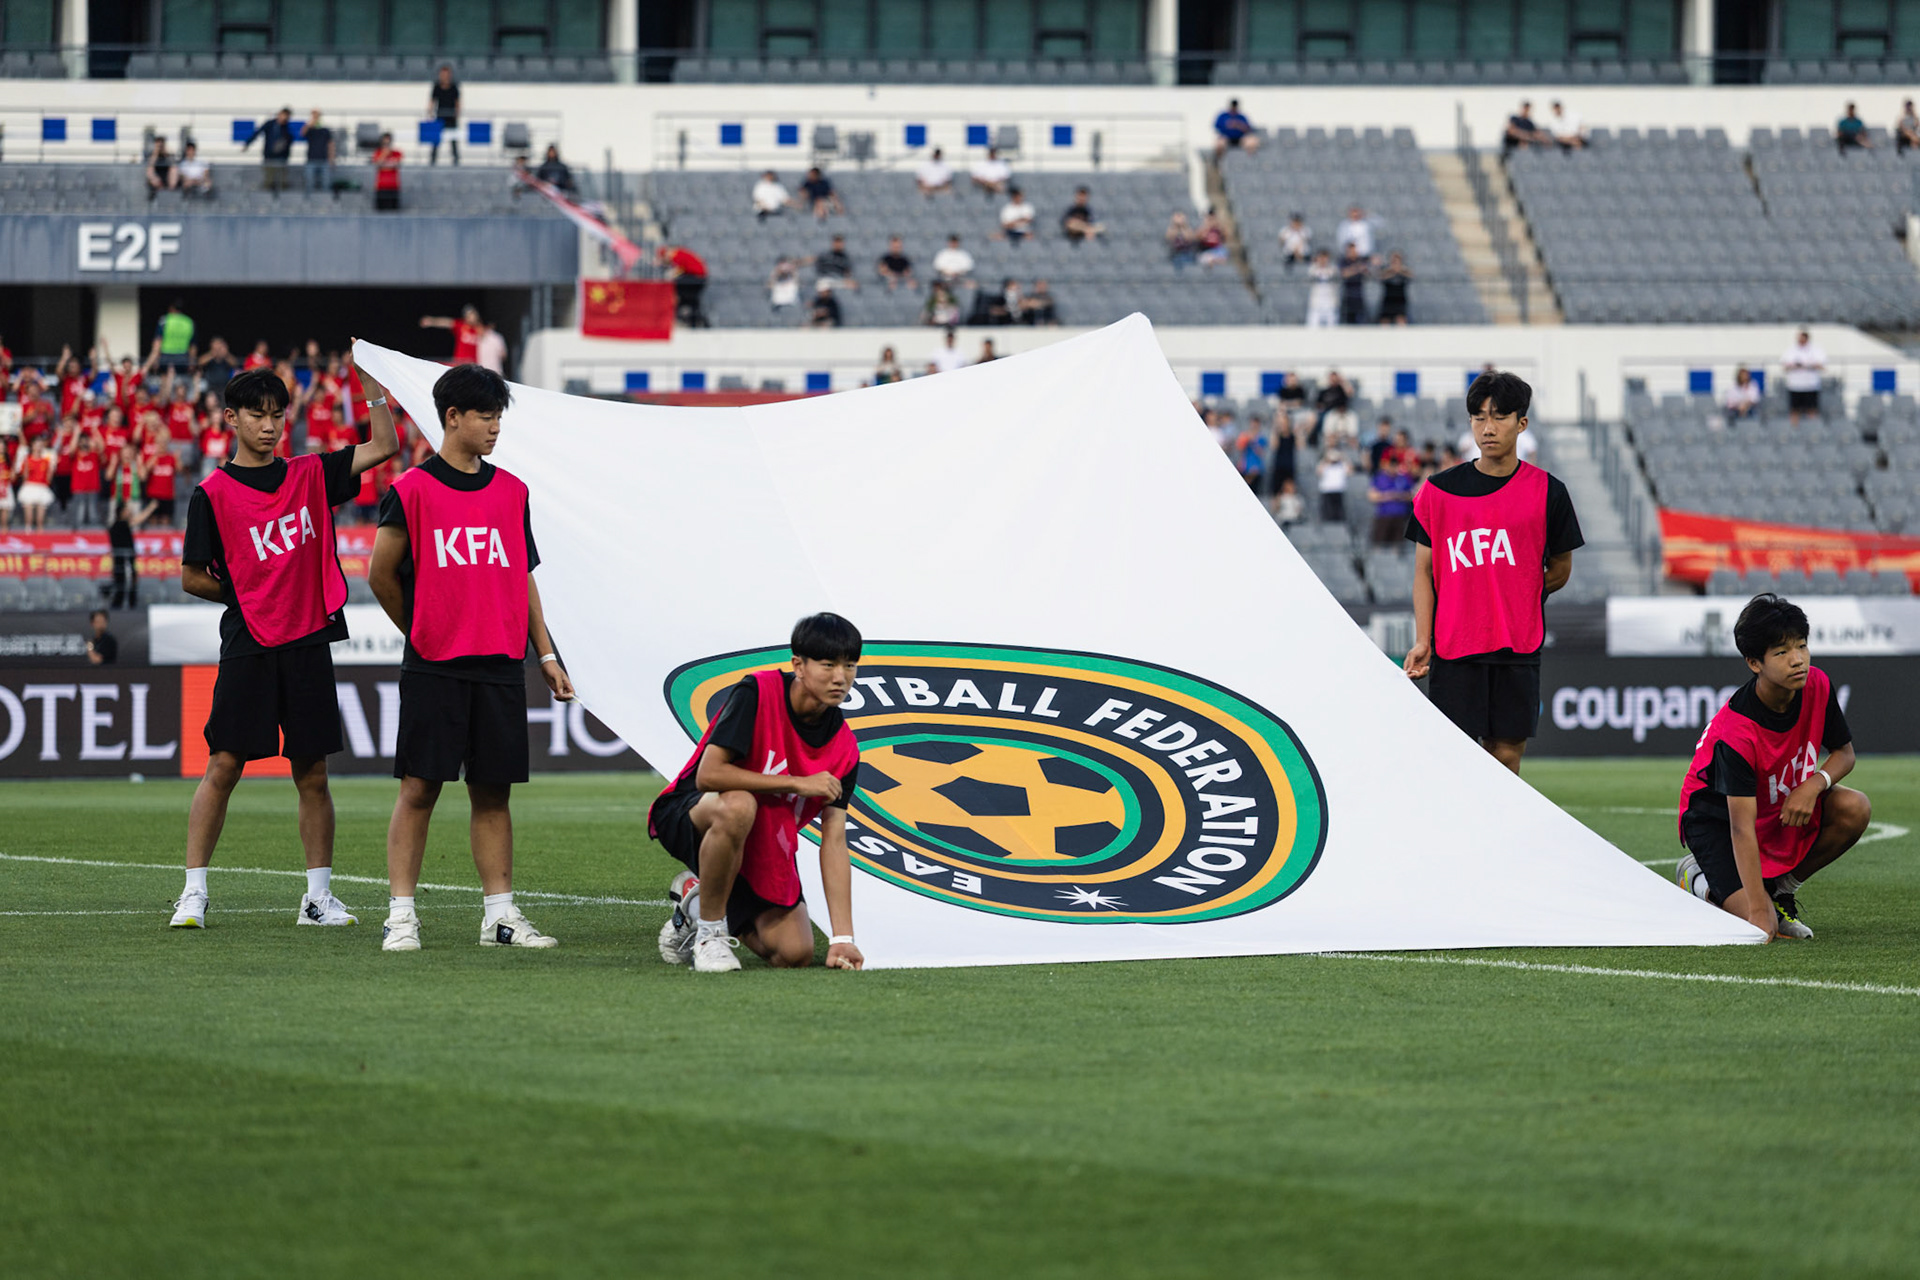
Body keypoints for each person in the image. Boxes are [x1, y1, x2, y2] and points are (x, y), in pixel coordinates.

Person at [168, 361, 399, 931]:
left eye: (277, 416)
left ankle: (316, 899)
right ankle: (192, 893)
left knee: (312, 772)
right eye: (257, 415)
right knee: (223, 765)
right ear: (231, 419)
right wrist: (247, 595)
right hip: (248, 641)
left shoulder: (311, 474)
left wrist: (372, 395)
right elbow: (192, 575)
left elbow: (385, 446)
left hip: (308, 640)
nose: (270, 426)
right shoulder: (212, 493)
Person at [370, 364, 573, 953]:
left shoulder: (513, 491)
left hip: (500, 665)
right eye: (486, 415)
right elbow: (381, 575)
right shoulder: (410, 489)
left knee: (493, 793)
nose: (495, 427)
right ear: (452, 416)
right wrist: (422, 627)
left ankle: (500, 917)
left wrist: (547, 653)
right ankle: (401, 915)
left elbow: (522, 579)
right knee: (419, 789)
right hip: (435, 664)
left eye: (499, 415)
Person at [648, 613, 866, 973]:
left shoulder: (845, 748)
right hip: (693, 812)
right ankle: (710, 935)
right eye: (828, 665)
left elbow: (835, 839)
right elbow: (709, 775)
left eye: (850, 665)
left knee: (794, 954)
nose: (840, 677)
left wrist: (844, 937)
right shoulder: (758, 691)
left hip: (764, 836)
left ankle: (696, 899)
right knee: (738, 805)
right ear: (799, 665)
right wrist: (798, 782)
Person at [1401, 371, 1584, 776]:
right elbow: (1423, 572)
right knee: (1455, 761)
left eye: (1500, 417)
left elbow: (1561, 568)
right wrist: (1422, 639)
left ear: (1522, 423)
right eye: (1479, 417)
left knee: (1505, 756)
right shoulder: (1437, 491)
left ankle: (1501, 840)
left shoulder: (1549, 492)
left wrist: (1519, 594)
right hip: (1454, 648)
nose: (1488, 428)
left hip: (1516, 647)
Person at [1674, 593, 1873, 942]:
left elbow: (1845, 753)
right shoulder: (1735, 733)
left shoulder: (1817, 684)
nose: (1798, 660)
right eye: (1782, 653)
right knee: (1759, 928)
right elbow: (1740, 829)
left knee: (1854, 808)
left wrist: (1813, 785)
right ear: (1755, 663)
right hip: (1717, 822)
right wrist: (1756, 911)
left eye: (1802, 646)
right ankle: (1699, 879)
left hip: (1771, 804)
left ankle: (1782, 891)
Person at [107, 498, 154, 606]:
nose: (130, 512)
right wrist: (151, 508)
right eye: (127, 510)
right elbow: (138, 519)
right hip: (123, 562)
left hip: (127, 561)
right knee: (123, 586)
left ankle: (126, 604)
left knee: (128, 586)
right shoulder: (120, 525)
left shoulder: (118, 525)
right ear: (121, 512)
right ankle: (121, 606)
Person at [241, 107, 295, 194]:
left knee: (282, 182)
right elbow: (257, 132)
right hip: (269, 157)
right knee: (269, 180)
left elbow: (289, 141)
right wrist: (247, 143)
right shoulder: (270, 124)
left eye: (286, 117)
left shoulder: (286, 128)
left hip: (282, 158)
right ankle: (267, 199)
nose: (284, 118)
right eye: (283, 116)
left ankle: (280, 200)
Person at [1368, 451, 1417, 546]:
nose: (1393, 467)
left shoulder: (1404, 478)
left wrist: (1400, 496)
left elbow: (1413, 494)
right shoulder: (1380, 478)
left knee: (1398, 545)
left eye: (1395, 465)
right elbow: (1371, 495)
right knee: (1380, 543)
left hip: (1400, 516)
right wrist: (1387, 496)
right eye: (1391, 464)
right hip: (1384, 516)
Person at [659, 244, 709, 327]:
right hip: (697, 278)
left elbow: (680, 269)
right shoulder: (680, 253)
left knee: (674, 285)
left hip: (697, 278)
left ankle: (678, 305)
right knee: (692, 303)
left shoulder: (676, 255)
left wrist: (670, 275)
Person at [1782, 329, 1825, 425]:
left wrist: (1807, 365)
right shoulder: (1791, 350)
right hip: (1795, 386)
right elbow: (1785, 365)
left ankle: (1812, 431)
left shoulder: (1816, 350)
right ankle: (1794, 432)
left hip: (1810, 385)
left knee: (1812, 410)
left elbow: (1821, 365)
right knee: (1794, 410)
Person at [15, 436, 55, 531]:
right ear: (32, 446)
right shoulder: (27, 459)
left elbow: (49, 479)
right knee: (29, 517)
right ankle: (28, 533)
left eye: (41, 445)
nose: (38, 447)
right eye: (36, 445)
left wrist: (52, 469)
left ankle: (40, 536)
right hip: (29, 486)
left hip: (42, 487)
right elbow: (24, 477)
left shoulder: (46, 461)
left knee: (40, 519)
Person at [149, 299, 195, 374]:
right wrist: (192, 363)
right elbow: (193, 346)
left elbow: (157, 342)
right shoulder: (189, 322)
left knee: (164, 379)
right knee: (180, 382)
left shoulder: (164, 320)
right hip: (182, 357)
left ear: (171, 308)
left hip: (166, 356)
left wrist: (155, 360)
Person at [428, 64, 461, 165]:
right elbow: (432, 101)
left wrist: (457, 113)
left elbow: (457, 102)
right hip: (440, 116)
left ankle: (455, 159)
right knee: (435, 139)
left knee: (453, 140)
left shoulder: (454, 87)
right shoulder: (437, 87)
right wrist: (430, 112)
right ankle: (433, 159)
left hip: (451, 117)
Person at [303, 110, 335, 195]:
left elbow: (331, 145)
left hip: (324, 160)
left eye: (318, 116)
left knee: (326, 183)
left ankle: (324, 201)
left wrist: (331, 159)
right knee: (309, 183)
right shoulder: (310, 130)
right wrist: (312, 120)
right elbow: (302, 133)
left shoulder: (325, 130)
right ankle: (309, 202)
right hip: (311, 160)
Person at [1338, 243, 1371, 324]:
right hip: (1348, 295)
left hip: (1359, 295)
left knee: (1361, 320)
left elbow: (1368, 273)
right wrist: (1357, 268)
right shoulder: (1344, 261)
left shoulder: (1360, 260)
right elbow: (1344, 274)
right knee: (1348, 320)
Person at [1377, 251, 1412, 325]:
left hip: (1400, 299)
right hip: (1388, 299)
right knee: (1385, 321)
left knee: (1401, 320)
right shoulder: (1386, 270)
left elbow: (1410, 275)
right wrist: (1392, 271)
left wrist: (1399, 270)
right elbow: (1381, 277)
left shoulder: (1404, 270)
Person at [1315, 448, 1350, 523]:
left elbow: (1350, 471)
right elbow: (1318, 471)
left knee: (1339, 513)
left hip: (1339, 490)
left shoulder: (1342, 465)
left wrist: (1343, 458)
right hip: (1327, 491)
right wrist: (1325, 459)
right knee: (1328, 513)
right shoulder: (1325, 465)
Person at [1305, 249, 1339, 327]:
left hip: (1330, 303)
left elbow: (1335, 279)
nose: (1323, 260)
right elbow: (1311, 276)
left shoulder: (1333, 269)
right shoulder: (1313, 269)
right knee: (1312, 327)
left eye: (1325, 258)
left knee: (1332, 328)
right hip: (1316, 304)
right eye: (1321, 258)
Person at [371, 132, 402, 211]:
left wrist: (384, 164)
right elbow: (378, 164)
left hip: (393, 186)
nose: (387, 144)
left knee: (393, 211)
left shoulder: (397, 153)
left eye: (388, 142)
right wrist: (384, 154)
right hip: (381, 186)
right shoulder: (378, 153)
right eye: (385, 142)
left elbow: (395, 164)